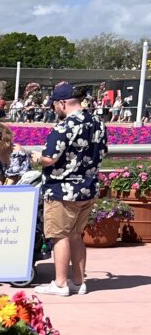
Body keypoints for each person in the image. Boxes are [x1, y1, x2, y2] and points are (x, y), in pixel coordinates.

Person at [33, 82, 108, 297]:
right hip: (88, 189)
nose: (53, 109)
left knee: (60, 236)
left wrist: (35, 156)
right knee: (76, 235)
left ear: (62, 103)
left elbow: (49, 158)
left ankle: (60, 283)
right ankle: (78, 281)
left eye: (54, 105)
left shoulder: (65, 126)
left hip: (62, 191)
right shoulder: (98, 123)